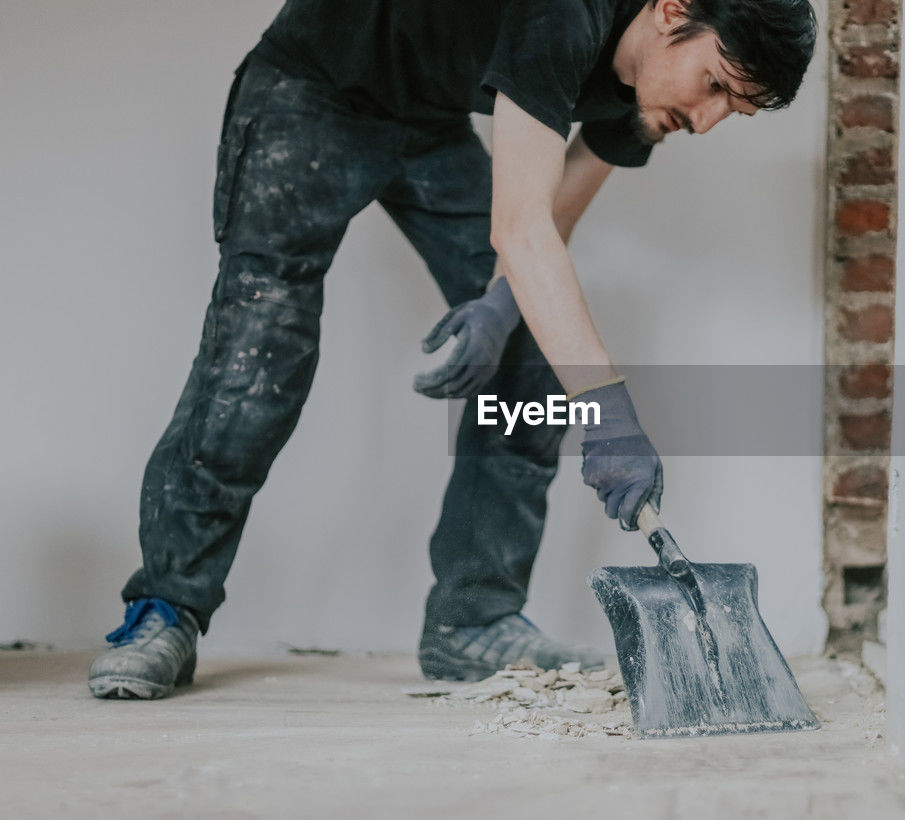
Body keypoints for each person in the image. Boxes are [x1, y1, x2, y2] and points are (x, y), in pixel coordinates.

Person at [88, 0, 816, 698]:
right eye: (716, 85)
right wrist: (608, 414)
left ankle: (474, 619)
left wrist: (502, 304)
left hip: (428, 121)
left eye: (735, 110)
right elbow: (522, 230)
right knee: (260, 351)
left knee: (534, 353)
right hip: (315, 86)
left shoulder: (656, 86)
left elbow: (551, 205)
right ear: (671, 9)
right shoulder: (565, 13)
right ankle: (164, 608)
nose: (709, 119)